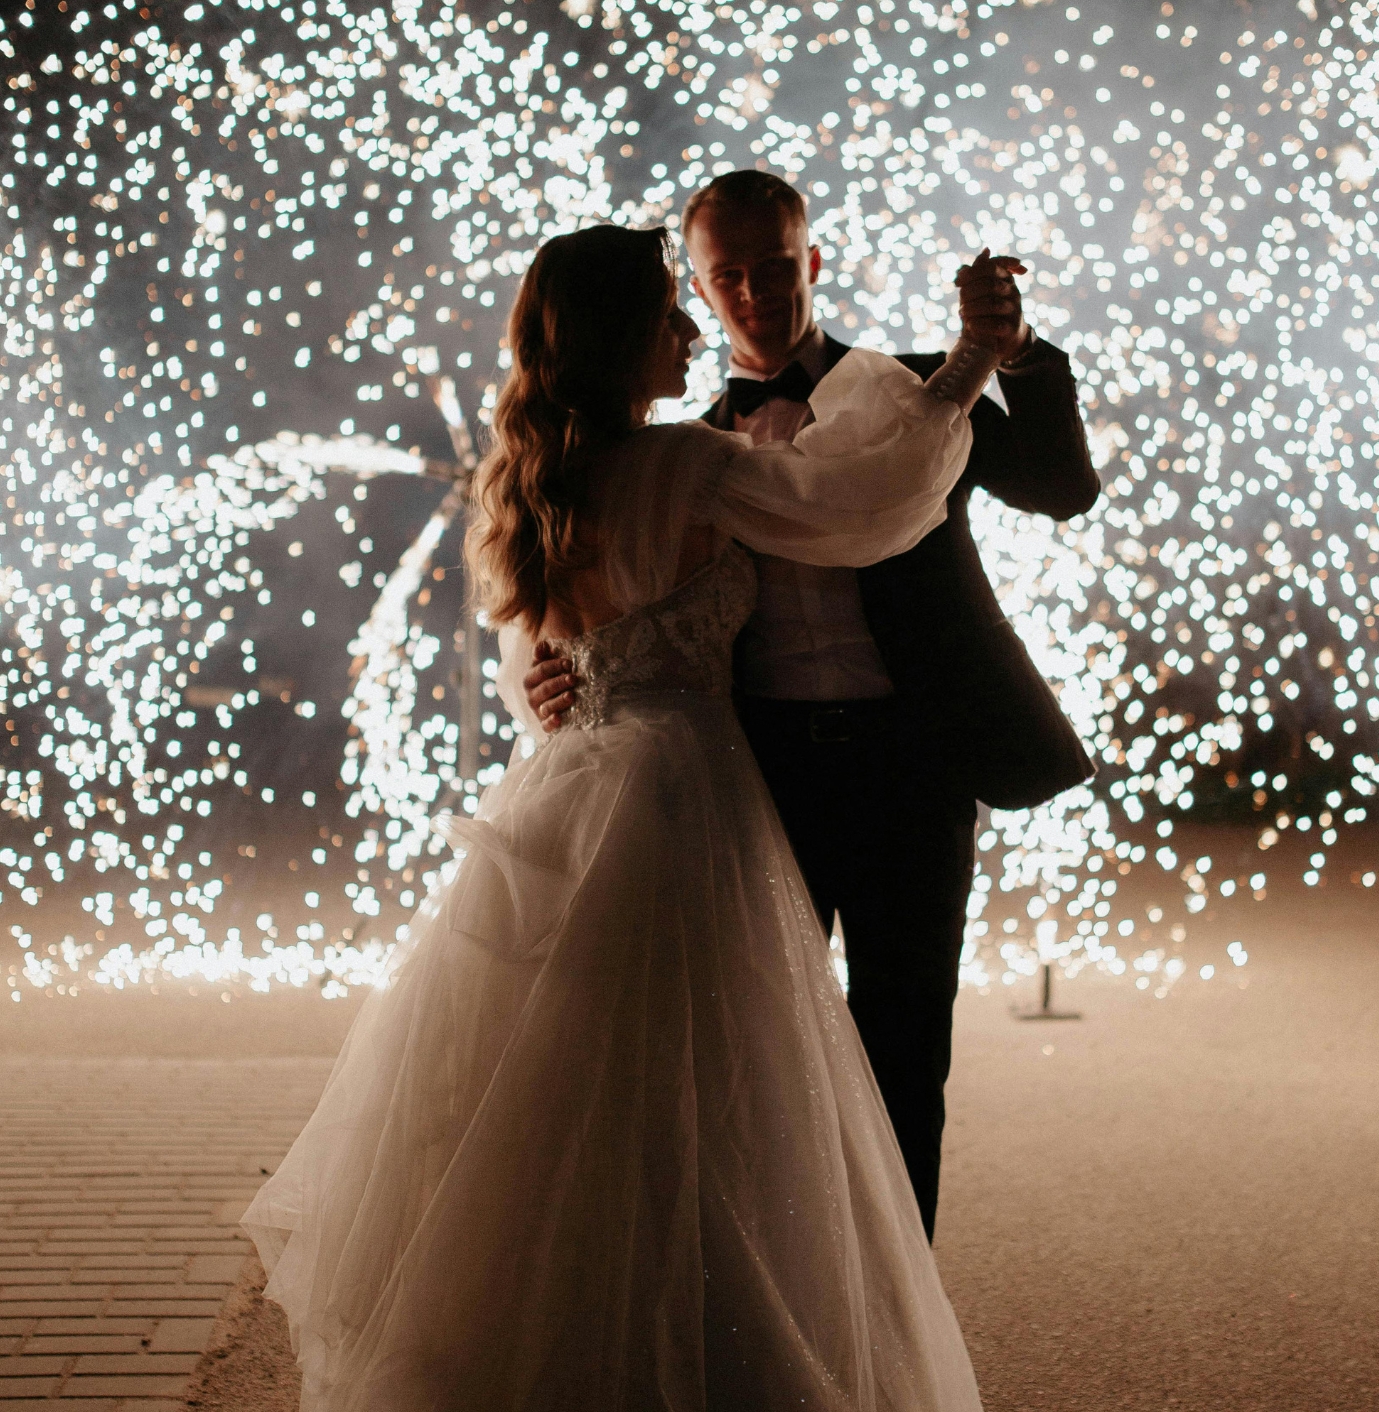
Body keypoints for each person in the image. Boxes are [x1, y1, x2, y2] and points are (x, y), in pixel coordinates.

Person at [243, 222, 1007, 1409]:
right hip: (685, 794)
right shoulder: (683, 463)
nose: (692, 329)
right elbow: (855, 498)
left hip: (565, 797)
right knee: (719, 1088)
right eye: (668, 314)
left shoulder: (529, 476)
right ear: (621, 338)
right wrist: (962, 366)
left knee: (561, 1090)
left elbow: (533, 660)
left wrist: (552, 687)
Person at [523, 172, 1099, 1239]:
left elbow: (1064, 488)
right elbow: (582, 596)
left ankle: (896, 1329)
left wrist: (1007, 352)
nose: (753, 292)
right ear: (695, 291)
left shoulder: (915, 392)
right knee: (753, 1060)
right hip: (750, 774)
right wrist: (554, 672)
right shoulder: (670, 449)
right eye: (726, 275)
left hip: (912, 760)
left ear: (812, 261)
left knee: (902, 1049)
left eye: (774, 265)